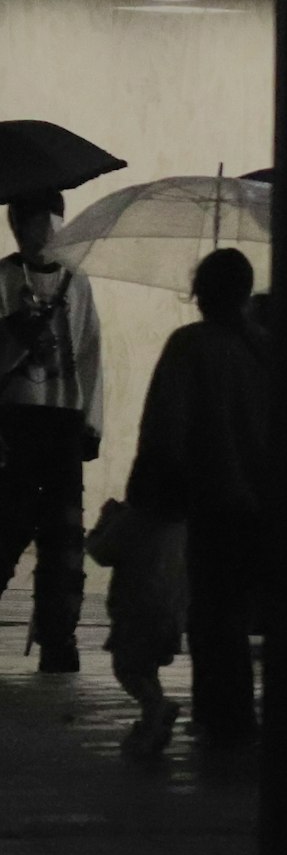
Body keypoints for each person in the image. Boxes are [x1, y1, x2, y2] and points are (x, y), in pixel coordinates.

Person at [127, 249, 269, 751]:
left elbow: (166, 427)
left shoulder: (189, 345)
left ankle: (222, 715)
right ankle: (234, 716)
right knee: (239, 609)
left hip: (212, 497)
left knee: (212, 612)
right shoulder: (263, 350)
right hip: (261, 501)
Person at [0, 192, 105, 674]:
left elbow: (89, 352)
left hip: (61, 420)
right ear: (15, 221)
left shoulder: (75, 283)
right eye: (34, 219)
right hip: (15, 421)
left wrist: (90, 421)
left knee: (63, 540)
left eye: (50, 220)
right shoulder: (4, 280)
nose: (44, 230)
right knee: (9, 527)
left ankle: (58, 637)